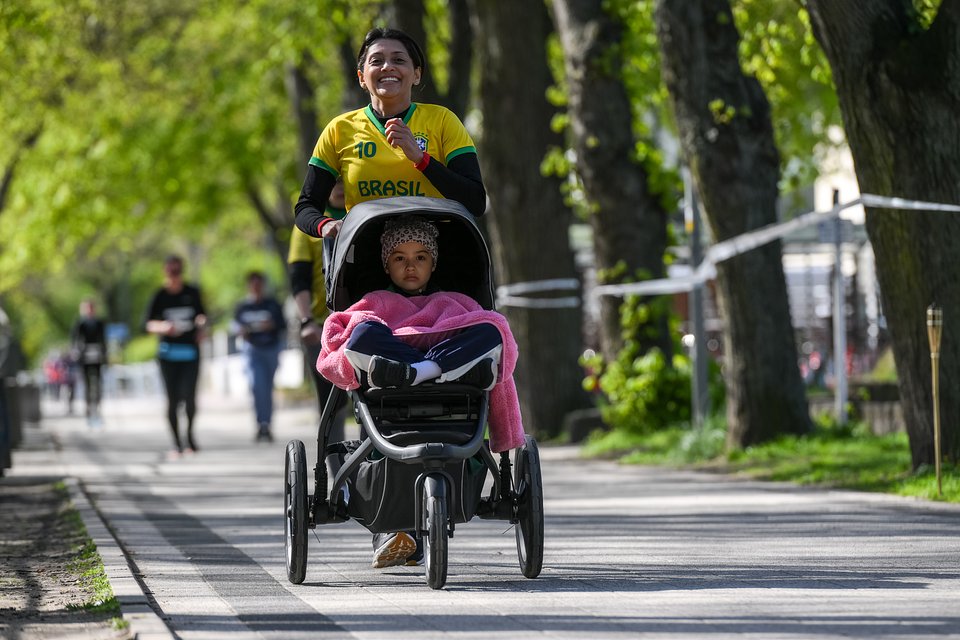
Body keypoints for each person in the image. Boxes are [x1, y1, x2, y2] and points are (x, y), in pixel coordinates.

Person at [317, 217, 525, 568]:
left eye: (420, 257)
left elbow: (496, 335)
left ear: (433, 262)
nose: (410, 266)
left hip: (428, 375)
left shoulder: (454, 301)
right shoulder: (376, 300)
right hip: (404, 373)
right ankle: (425, 369)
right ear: (386, 264)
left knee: (493, 329)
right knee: (362, 333)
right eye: (399, 258)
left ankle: (421, 371)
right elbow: (339, 335)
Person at [294, 26, 486, 241]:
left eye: (399, 60)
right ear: (361, 78)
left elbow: (475, 201)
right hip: (365, 258)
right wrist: (325, 225)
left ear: (416, 74)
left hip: (434, 256)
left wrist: (421, 159)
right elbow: (306, 207)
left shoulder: (443, 120)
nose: (387, 67)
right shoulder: (339, 129)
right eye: (376, 61)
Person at [288, 180, 348, 440]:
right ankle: (337, 471)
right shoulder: (309, 226)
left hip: (361, 320)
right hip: (323, 326)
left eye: (343, 179)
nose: (338, 186)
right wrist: (306, 321)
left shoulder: (365, 213)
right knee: (332, 400)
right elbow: (298, 278)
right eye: (332, 181)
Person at [144, 255, 207, 458]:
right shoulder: (159, 296)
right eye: (171, 271)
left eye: (178, 271)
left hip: (190, 354)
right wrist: (163, 327)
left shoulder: (192, 292)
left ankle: (189, 436)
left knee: (189, 398)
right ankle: (176, 442)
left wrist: (201, 325)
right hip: (168, 356)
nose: (174, 275)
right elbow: (146, 324)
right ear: (165, 272)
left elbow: (202, 316)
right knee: (172, 400)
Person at [232, 271, 286, 442]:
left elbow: (282, 325)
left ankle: (267, 425)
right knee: (257, 386)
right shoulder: (242, 307)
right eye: (253, 284)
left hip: (270, 349)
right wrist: (241, 330)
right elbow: (235, 326)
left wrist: (270, 325)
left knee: (267, 388)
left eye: (259, 284)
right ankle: (260, 423)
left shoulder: (272, 304)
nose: (256, 287)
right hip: (252, 350)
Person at [70, 299, 107, 424]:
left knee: (97, 383)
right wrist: (76, 351)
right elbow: (75, 339)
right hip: (84, 357)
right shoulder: (80, 323)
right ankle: (88, 407)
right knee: (86, 384)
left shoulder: (100, 323)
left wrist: (105, 354)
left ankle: (97, 406)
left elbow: (104, 339)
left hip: (97, 356)